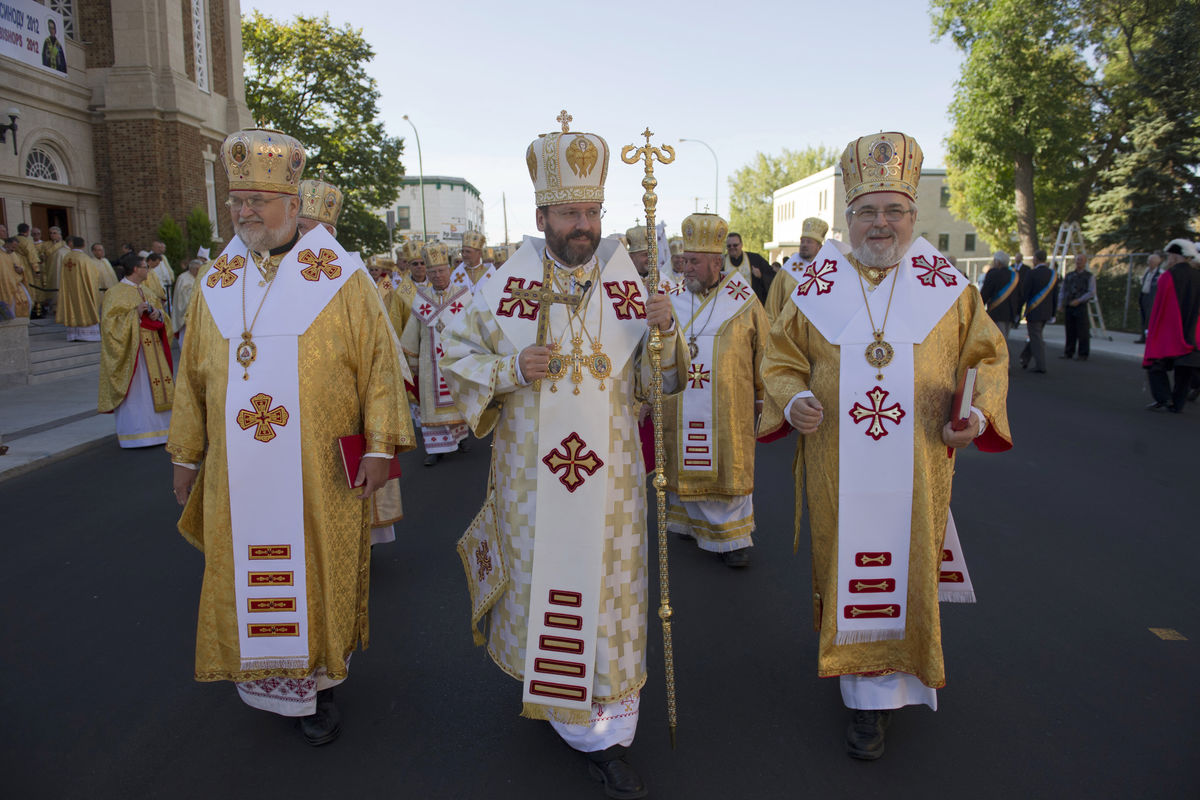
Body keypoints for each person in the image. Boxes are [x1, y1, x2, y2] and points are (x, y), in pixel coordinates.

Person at [441, 113, 684, 799]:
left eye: (592, 211)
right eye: (570, 212)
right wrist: (514, 365)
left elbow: (655, 383)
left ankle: (605, 731)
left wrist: (668, 334)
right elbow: (455, 356)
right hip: (530, 478)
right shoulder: (503, 286)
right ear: (543, 214)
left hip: (611, 481)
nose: (583, 223)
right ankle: (552, 696)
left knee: (607, 587)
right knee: (540, 577)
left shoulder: (626, 280)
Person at [758, 131, 1011, 761]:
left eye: (893, 209)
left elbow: (986, 359)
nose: (881, 222)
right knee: (848, 557)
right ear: (849, 217)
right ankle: (862, 697)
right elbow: (779, 359)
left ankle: (894, 683)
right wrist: (792, 400)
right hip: (836, 458)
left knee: (908, 561)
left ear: (912, 215)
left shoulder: (948, 286)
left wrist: (974, 416)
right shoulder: (812, 284)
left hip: (921, 457)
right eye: (867, 210)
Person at [166, 129, 413, 746]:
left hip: (315, 468)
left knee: (314, 568)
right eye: (237, 201)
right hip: (236, 470)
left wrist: (380, 445)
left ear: (292, 203)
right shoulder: (216, 284)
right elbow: (192, 375)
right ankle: (263, 678)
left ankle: (317, 685)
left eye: (258, 200)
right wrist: (186, 455)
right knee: (250, 571)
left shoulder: (340, 278)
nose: (246, 212)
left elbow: (380, 367)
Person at [664, 212, 767, 568]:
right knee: (686, 459)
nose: (686, 268)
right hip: (684, 402)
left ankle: (733, 539)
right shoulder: (672, 298)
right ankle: (691, 523)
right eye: (684, 260)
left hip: (730, 407)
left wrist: (761, 396)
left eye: (694, 261)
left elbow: (765, 353)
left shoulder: (744, 300)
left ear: (715, 262)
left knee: (729, 465)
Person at [401, 242, 473, 467]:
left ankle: (459, 438)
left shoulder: (464, 297)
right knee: (431, 406)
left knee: (457, 401)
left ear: (449, 270)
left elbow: (473, 329)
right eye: (432, 272)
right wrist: (411, 363)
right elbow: (412, 334)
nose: (437, 275)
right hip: (428, 363)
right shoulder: (421, 298)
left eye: (441, 270)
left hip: (456, 361)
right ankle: (435, 449)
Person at [98, 255, 174, 447]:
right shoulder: (114, 293)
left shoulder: (147, 291)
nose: (148, 270)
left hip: (153, 351)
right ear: (134, 269)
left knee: (153, 389)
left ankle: (161, 431)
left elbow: (162, 317)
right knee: (138, 392)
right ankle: (136, 434)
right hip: (133, 353)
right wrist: (135, 314)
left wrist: (158, 315)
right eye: (144, 267)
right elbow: (108, 325)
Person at [1143, 239, 1200, 413]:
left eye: (1169, 256)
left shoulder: (1168, 276)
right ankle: (1177, 404)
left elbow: (1160, 306)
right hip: (1192, 332)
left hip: (1170, 331)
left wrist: (1152, 329)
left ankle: (1164, 398)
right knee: (1185, 370)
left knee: (1155, 365)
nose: (1168, 259)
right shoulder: (1198, 276)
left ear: (1175, 256)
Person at [764, 217, 829, 322]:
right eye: (802, 241)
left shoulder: (827, 270)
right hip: (785, 331)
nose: (804, 245)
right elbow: (772, 304)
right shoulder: (787, 270)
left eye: (809, 242)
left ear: (819, 247)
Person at [56, 236, 103, 341]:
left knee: (72, 307)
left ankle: (73, 335)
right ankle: (87, 335)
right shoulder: (84, 258)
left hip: (70, 291)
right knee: (85, 306)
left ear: (71, 244)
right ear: (83, 245)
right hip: (83, 291)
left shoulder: (66, 257)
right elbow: (93, 276)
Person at [1018, 249, 1058, 373]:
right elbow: (1055, 295)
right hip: (1046, 311)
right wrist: (1053, 313)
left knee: (1035, 338)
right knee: (1036, 336)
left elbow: (1025, 292)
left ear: (1036, 259)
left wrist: (1019, 309)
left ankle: (1041, 365)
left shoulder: (1032, 273)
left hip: (1034, 310)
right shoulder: (1053, 274)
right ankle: (1024, 359)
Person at [1058, 253, 1096, 360]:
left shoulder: (1089, 276)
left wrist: (1079, 300)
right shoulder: (1069, 275)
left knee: (1082, 330)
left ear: (1085, 262)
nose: (1078, 262)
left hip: (1081, 306)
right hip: (1069, 305)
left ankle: (1083, 353)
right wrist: (1060, 303)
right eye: (1077, 260)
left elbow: (1091, 292)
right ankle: (1068, 351)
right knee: (1070, 330)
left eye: (1081, 260)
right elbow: (1063, 290)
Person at [979, 251, 1023, 338]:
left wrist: (979, 306)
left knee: (997, 339)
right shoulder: (1015, 275)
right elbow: (1020, 295)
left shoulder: (993, 274)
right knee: (1005, 337)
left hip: (996, 311)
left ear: (998, 262)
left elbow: (985, 293)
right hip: (1010, 312)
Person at [725, 231, 772, 303]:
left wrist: (761, 276)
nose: (732, 248)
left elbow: (773, 277)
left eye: (735, 245)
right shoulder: (721, 262)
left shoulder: (755, 259)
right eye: (729, 246)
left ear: (741, 245)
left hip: (751, 304)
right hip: (729, 306)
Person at [0, 225, 31, 319]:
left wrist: (20, 269)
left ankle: (20, 322)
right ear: (7, 244)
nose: (13, 249)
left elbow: (21, 266)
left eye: (15, 247)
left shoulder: (13, 254)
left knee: (27, 301)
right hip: (3, 285)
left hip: (16, 284)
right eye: (12, 247)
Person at [172, 258, 203, 346]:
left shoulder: (200, 277)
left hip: (198, 310)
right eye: (197, 269)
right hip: (187, 311)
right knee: (186, 336)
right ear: (192, 268)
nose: (199, 271)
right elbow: (182, 296)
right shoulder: (183, 278)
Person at [1136, 252, 1165, 344]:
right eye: (1149, 261)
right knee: (1143, 317)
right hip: (1144, 295)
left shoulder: (1160, 273)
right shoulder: (1147, 271)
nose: (1149, 263)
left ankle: (1150, 337)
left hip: (1153, 298)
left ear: (1157, 262)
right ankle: (1143, 337)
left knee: (1150, 318)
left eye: (1151, 261)